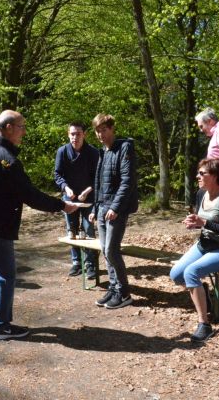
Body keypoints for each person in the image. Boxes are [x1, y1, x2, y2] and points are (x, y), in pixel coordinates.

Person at [0, 110, 78, 340]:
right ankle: (1, 326)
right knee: (6, 274)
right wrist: (61, 206)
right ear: (9, 127)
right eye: (21, 127)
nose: (24, 131)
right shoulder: (7, 161)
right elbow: (29, 194)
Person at [170, 158, 219, 342]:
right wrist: (194, 223)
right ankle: (203, 292)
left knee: (191, 272)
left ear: (215, 176)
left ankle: (204, 324)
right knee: (177, 274)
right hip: (205, 244)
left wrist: (205, 223)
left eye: (202, 173)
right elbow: (201, 222)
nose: (197, 176)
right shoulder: (201, 193)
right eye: (198, 173)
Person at [88, 113, 138, 309]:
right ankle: (114, 287)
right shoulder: (103, 152)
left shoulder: (124, 148)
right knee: (105, 251)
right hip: (101, 208)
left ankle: (124, 292)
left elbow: (127, 182)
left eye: (104, 130)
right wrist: (94, 207)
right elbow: (98, 183)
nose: (100, 134)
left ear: (112, 129)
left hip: (116, 209)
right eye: (97, 131)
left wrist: (115, 207)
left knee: (111, 250)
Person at [54, 121, 100, 279]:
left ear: (84, 135)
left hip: (88, 198)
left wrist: (87, 191)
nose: (75, 137)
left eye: (78, 134)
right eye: (72, 134)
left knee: (88, 229)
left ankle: (90, 264)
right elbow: (58, 175)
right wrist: (66, 188)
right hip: (70, 198)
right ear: (68, 134)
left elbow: (98, 177)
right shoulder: (62, 152)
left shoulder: (93, 152)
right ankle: (76, 263)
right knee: (71, 230)